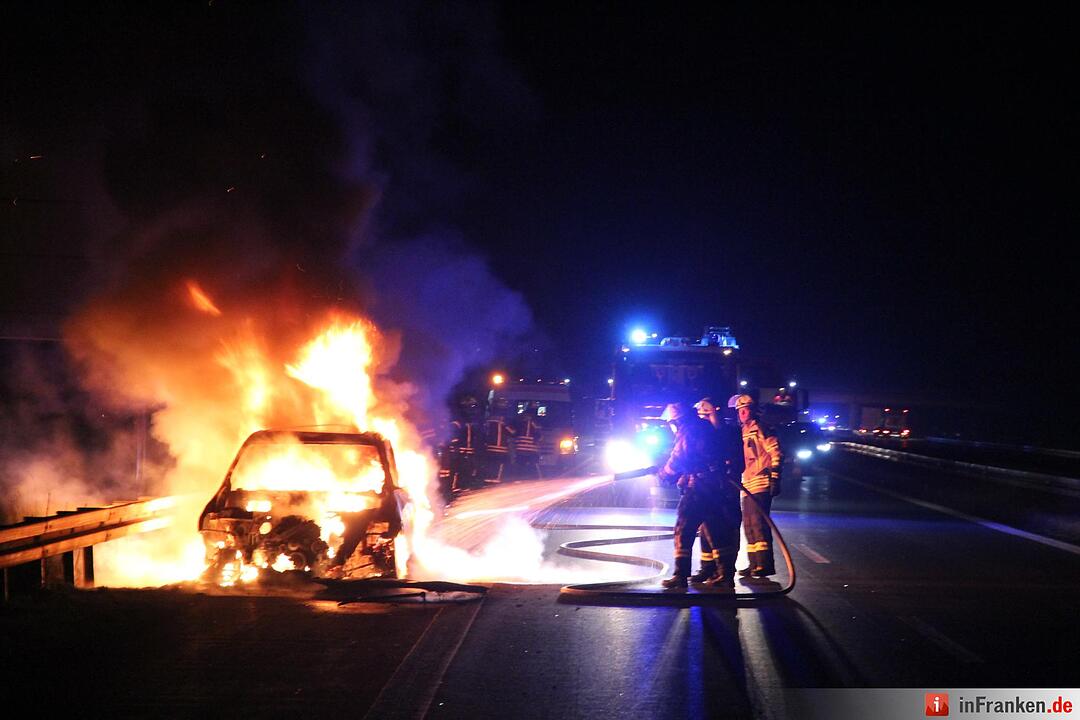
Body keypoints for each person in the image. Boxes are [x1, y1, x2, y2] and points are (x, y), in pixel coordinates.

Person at [657, 401, 730, 589]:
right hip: (714, 485)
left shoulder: (688, 430)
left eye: (672, 423)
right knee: (716, 529)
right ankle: (725, 575)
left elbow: (680, 456)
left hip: (698, 487)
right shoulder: (703, 427)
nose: (671, 426)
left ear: (677, 420)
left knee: (684, 528)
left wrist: (665, 473)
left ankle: (680, 576)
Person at [728, 393, 783, 578]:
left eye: (745, 410)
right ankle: (754, 564)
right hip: (747, 482)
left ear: (752, 410)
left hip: (760, 481)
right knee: (749, 524)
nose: (742, 414)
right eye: (740, 411)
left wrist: (775, 477)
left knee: (759, 524)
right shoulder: (742, 431)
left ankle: (764, 564)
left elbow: (775, 452)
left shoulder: (761, 428)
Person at [692, 396, 745, 585]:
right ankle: (708, 568)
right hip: (705, 489)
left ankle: (726, 572)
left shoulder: (729, 433)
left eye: (707, 416)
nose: (704, 421)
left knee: (726, 530)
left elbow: (739, 461)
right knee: (705, 528)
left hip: (726, 490)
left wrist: (728, 470)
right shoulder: (699, 435)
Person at [482, 412, 514, 483]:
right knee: (500, 463)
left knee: (490, 462)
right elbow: (513, 433)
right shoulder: (504, 424)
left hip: (489, 447)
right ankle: (497, 477)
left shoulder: (487, 423)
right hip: (500, 448)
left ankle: (488, 477)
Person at [512, 409, 543, 479]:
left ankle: (518, 478)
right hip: (531, 448)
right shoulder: (535, 424)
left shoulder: (520, 423)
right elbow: (540, 436)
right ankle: (534, 477)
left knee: (520, 465)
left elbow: (515, 434)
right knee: (533, 464)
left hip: (521, 448)